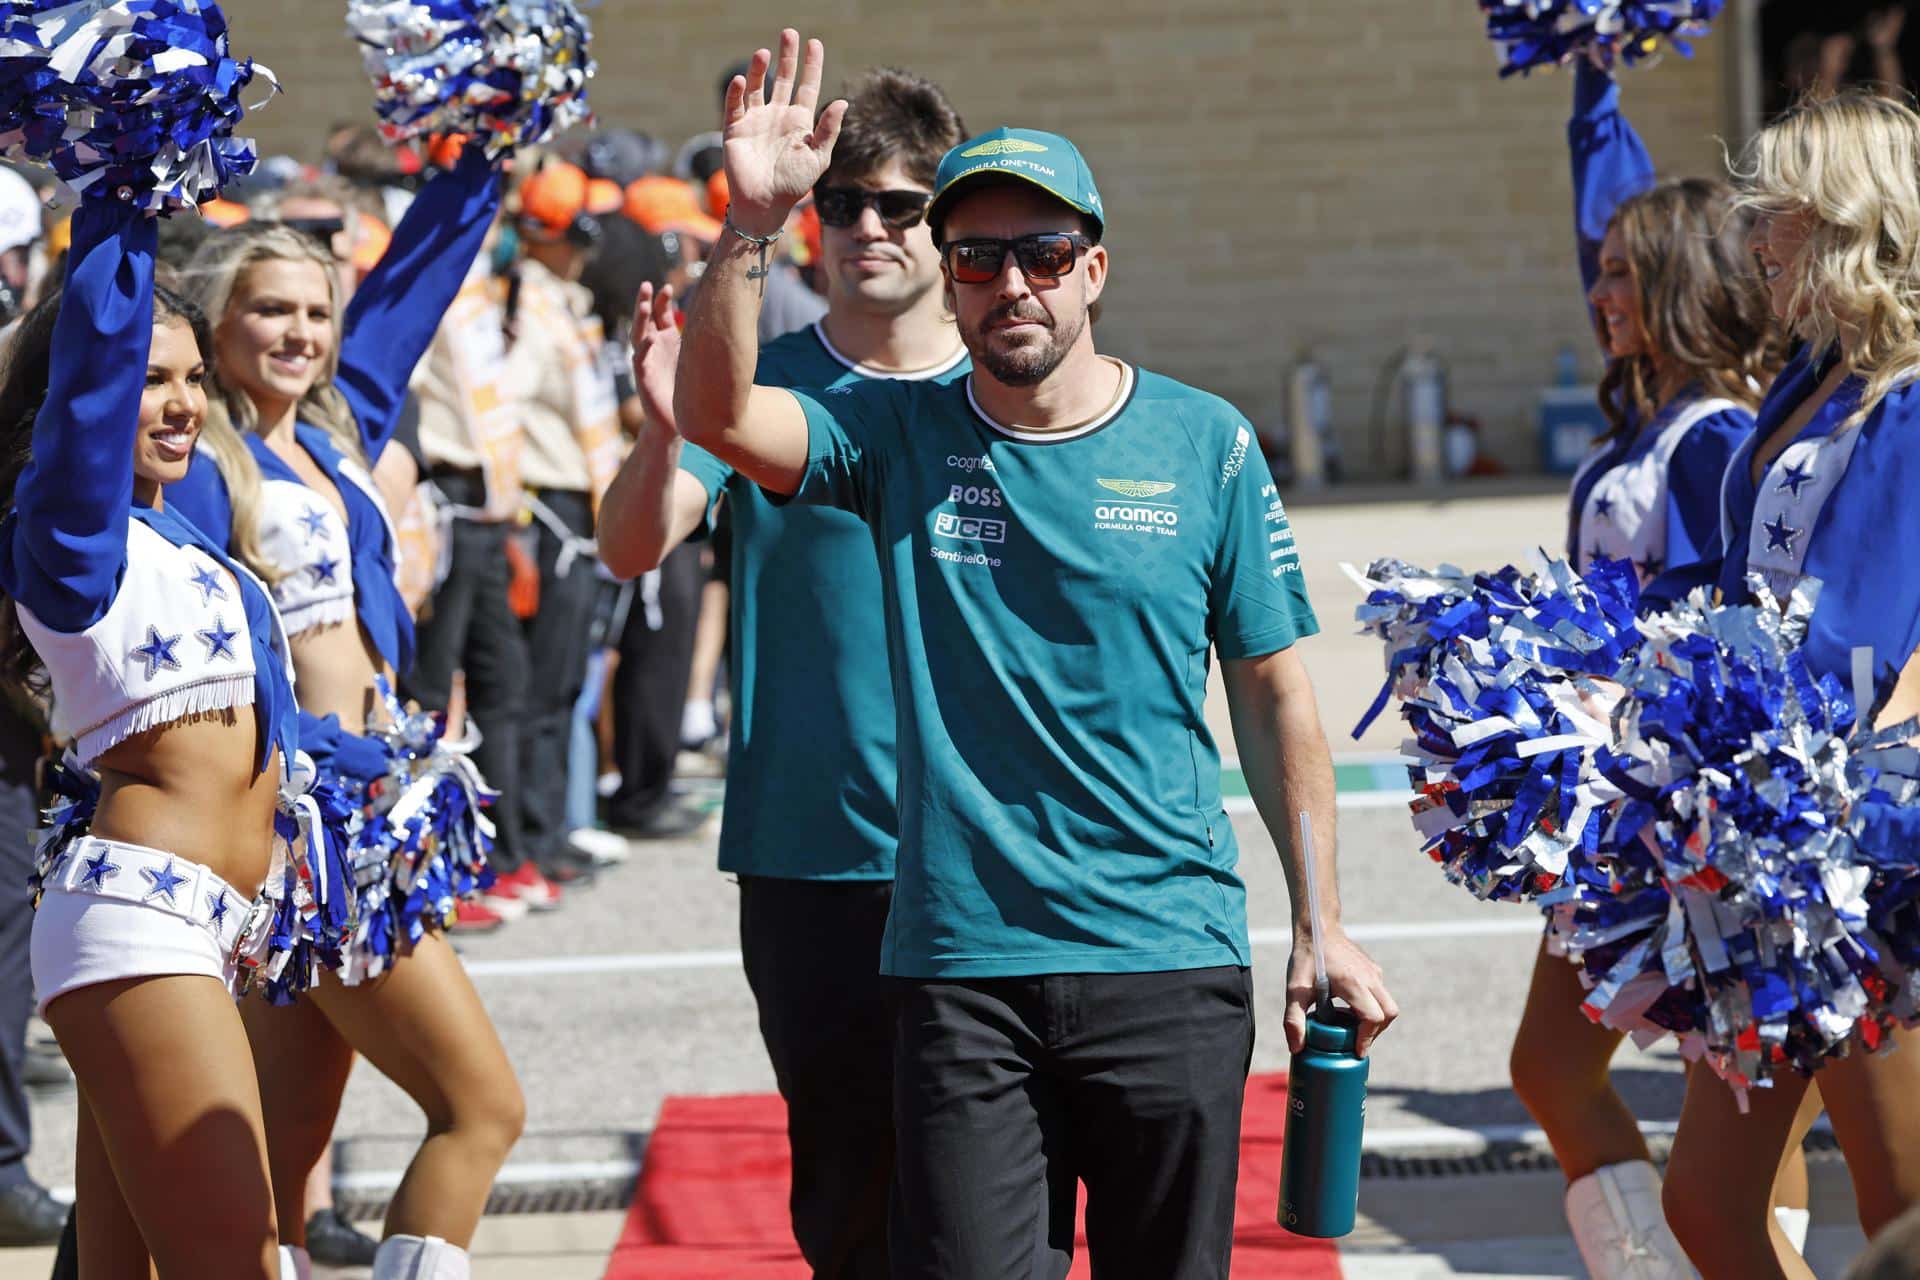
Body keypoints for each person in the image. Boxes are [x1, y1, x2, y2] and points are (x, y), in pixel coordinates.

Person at [665, 32, 1397, 1276]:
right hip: (959, 976)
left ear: (1093, 269)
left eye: (1045, 255)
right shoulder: (893, 434)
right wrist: (750, 225)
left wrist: (1321, 923)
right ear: (949, 279)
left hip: (1165, 956)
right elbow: (721, 416)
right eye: (981, 257)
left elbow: (1275, 690)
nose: (1013, 283)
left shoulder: (1204, 441)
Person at [601, 64, 969, 1277]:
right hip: (814, 855)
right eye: (847, 202)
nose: (870, 226)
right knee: (851, 1204)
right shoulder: (753, 382)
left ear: (947, 213)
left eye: (902, 205)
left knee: (989, 1197)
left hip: (991, 853)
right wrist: (666, 427)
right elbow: (634, 542)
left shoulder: (1012, 382)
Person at [169, 140, 524, 1280]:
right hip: (311, 829)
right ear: (215, 327)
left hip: (381, 801)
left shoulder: (332, 431)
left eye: (315, 312)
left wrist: (487, 156)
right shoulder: (191, 461)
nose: (298, 333)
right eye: (268, 309)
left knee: (270, 1162)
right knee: (483, 1108)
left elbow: (410, 295)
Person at [1506, 59, 1798, 1279]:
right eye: (1605, 269)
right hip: (1621, 811)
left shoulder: (1712, 437)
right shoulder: (1646, 427)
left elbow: (1730, 620)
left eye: (1626, 271)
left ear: (1682, 283)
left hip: (1685, 819)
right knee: (1557, 1064)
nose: (1602, 291)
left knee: (1734, 1117)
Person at [0, 197, 302, 1276]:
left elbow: (360, 363)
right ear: (82, 398)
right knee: (239, 1261)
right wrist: (115, 201)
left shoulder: (186, 529)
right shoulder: (67, 543)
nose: (181, 405)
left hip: (204, 929)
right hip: (138, 918)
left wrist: (473, 168)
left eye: (191, 379)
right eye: (148, 379)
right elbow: (84, 399)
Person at [1655, 89, 1920, 1279]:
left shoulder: (1910, 400)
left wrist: (1705, 689)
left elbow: (1852, 631)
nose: (1757, 235)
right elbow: (1744, 580)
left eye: (1780, 213)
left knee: (1904, 1209)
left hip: (1862, 850)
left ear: (1849, 223)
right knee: (1710, 1204)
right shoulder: (1809, 375)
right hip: (1776, 829)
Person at [501, 160, 626, 884]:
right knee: (536, 687)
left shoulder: (567, 302)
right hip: (545, 507)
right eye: (569, 238)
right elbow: (506, 409)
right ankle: (529, 838)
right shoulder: (519, 303)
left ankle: (551, 829)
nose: (580, 253)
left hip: (579, 507)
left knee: (560, 687)